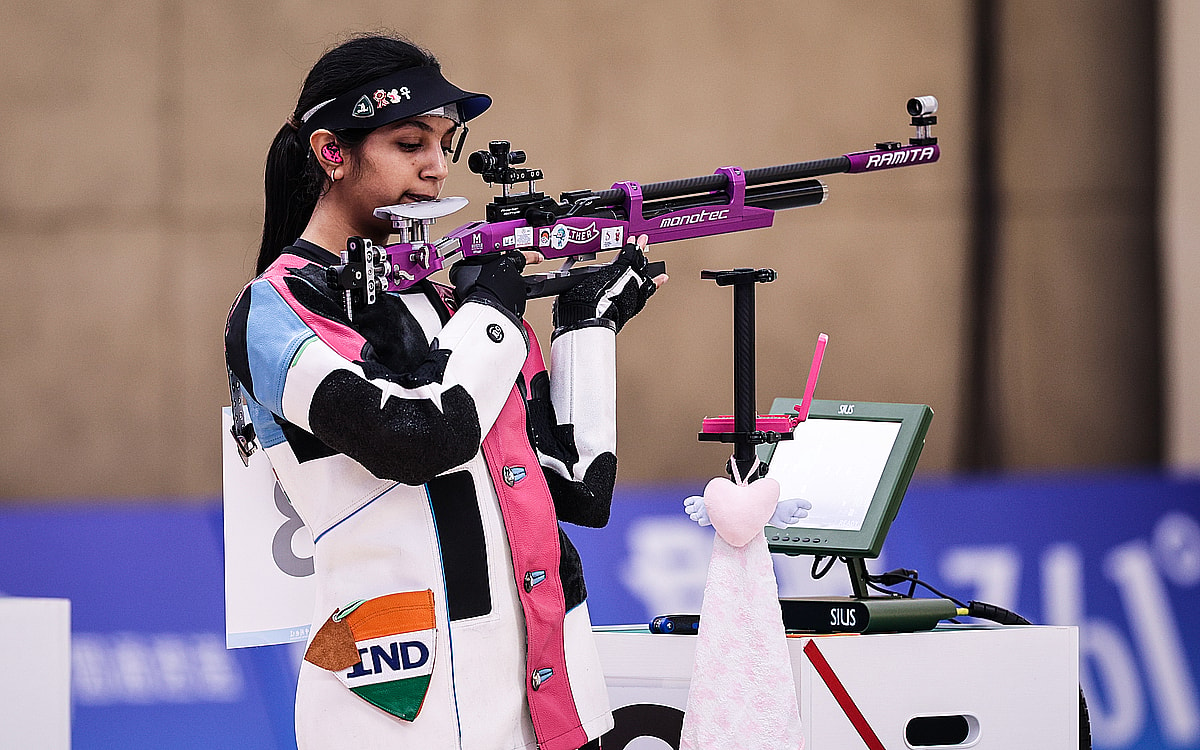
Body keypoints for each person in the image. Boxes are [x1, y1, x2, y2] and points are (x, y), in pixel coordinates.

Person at [224, 34, 664, 750]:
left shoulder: (453, 307)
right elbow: (418, 439)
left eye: (445, 143)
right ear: (332, 152)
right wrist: (495, 313)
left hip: (540, 695)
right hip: (397, 703)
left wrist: (586, 327)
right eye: (408, 142)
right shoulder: (274, 309)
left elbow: (580, 489)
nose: (435, 167)